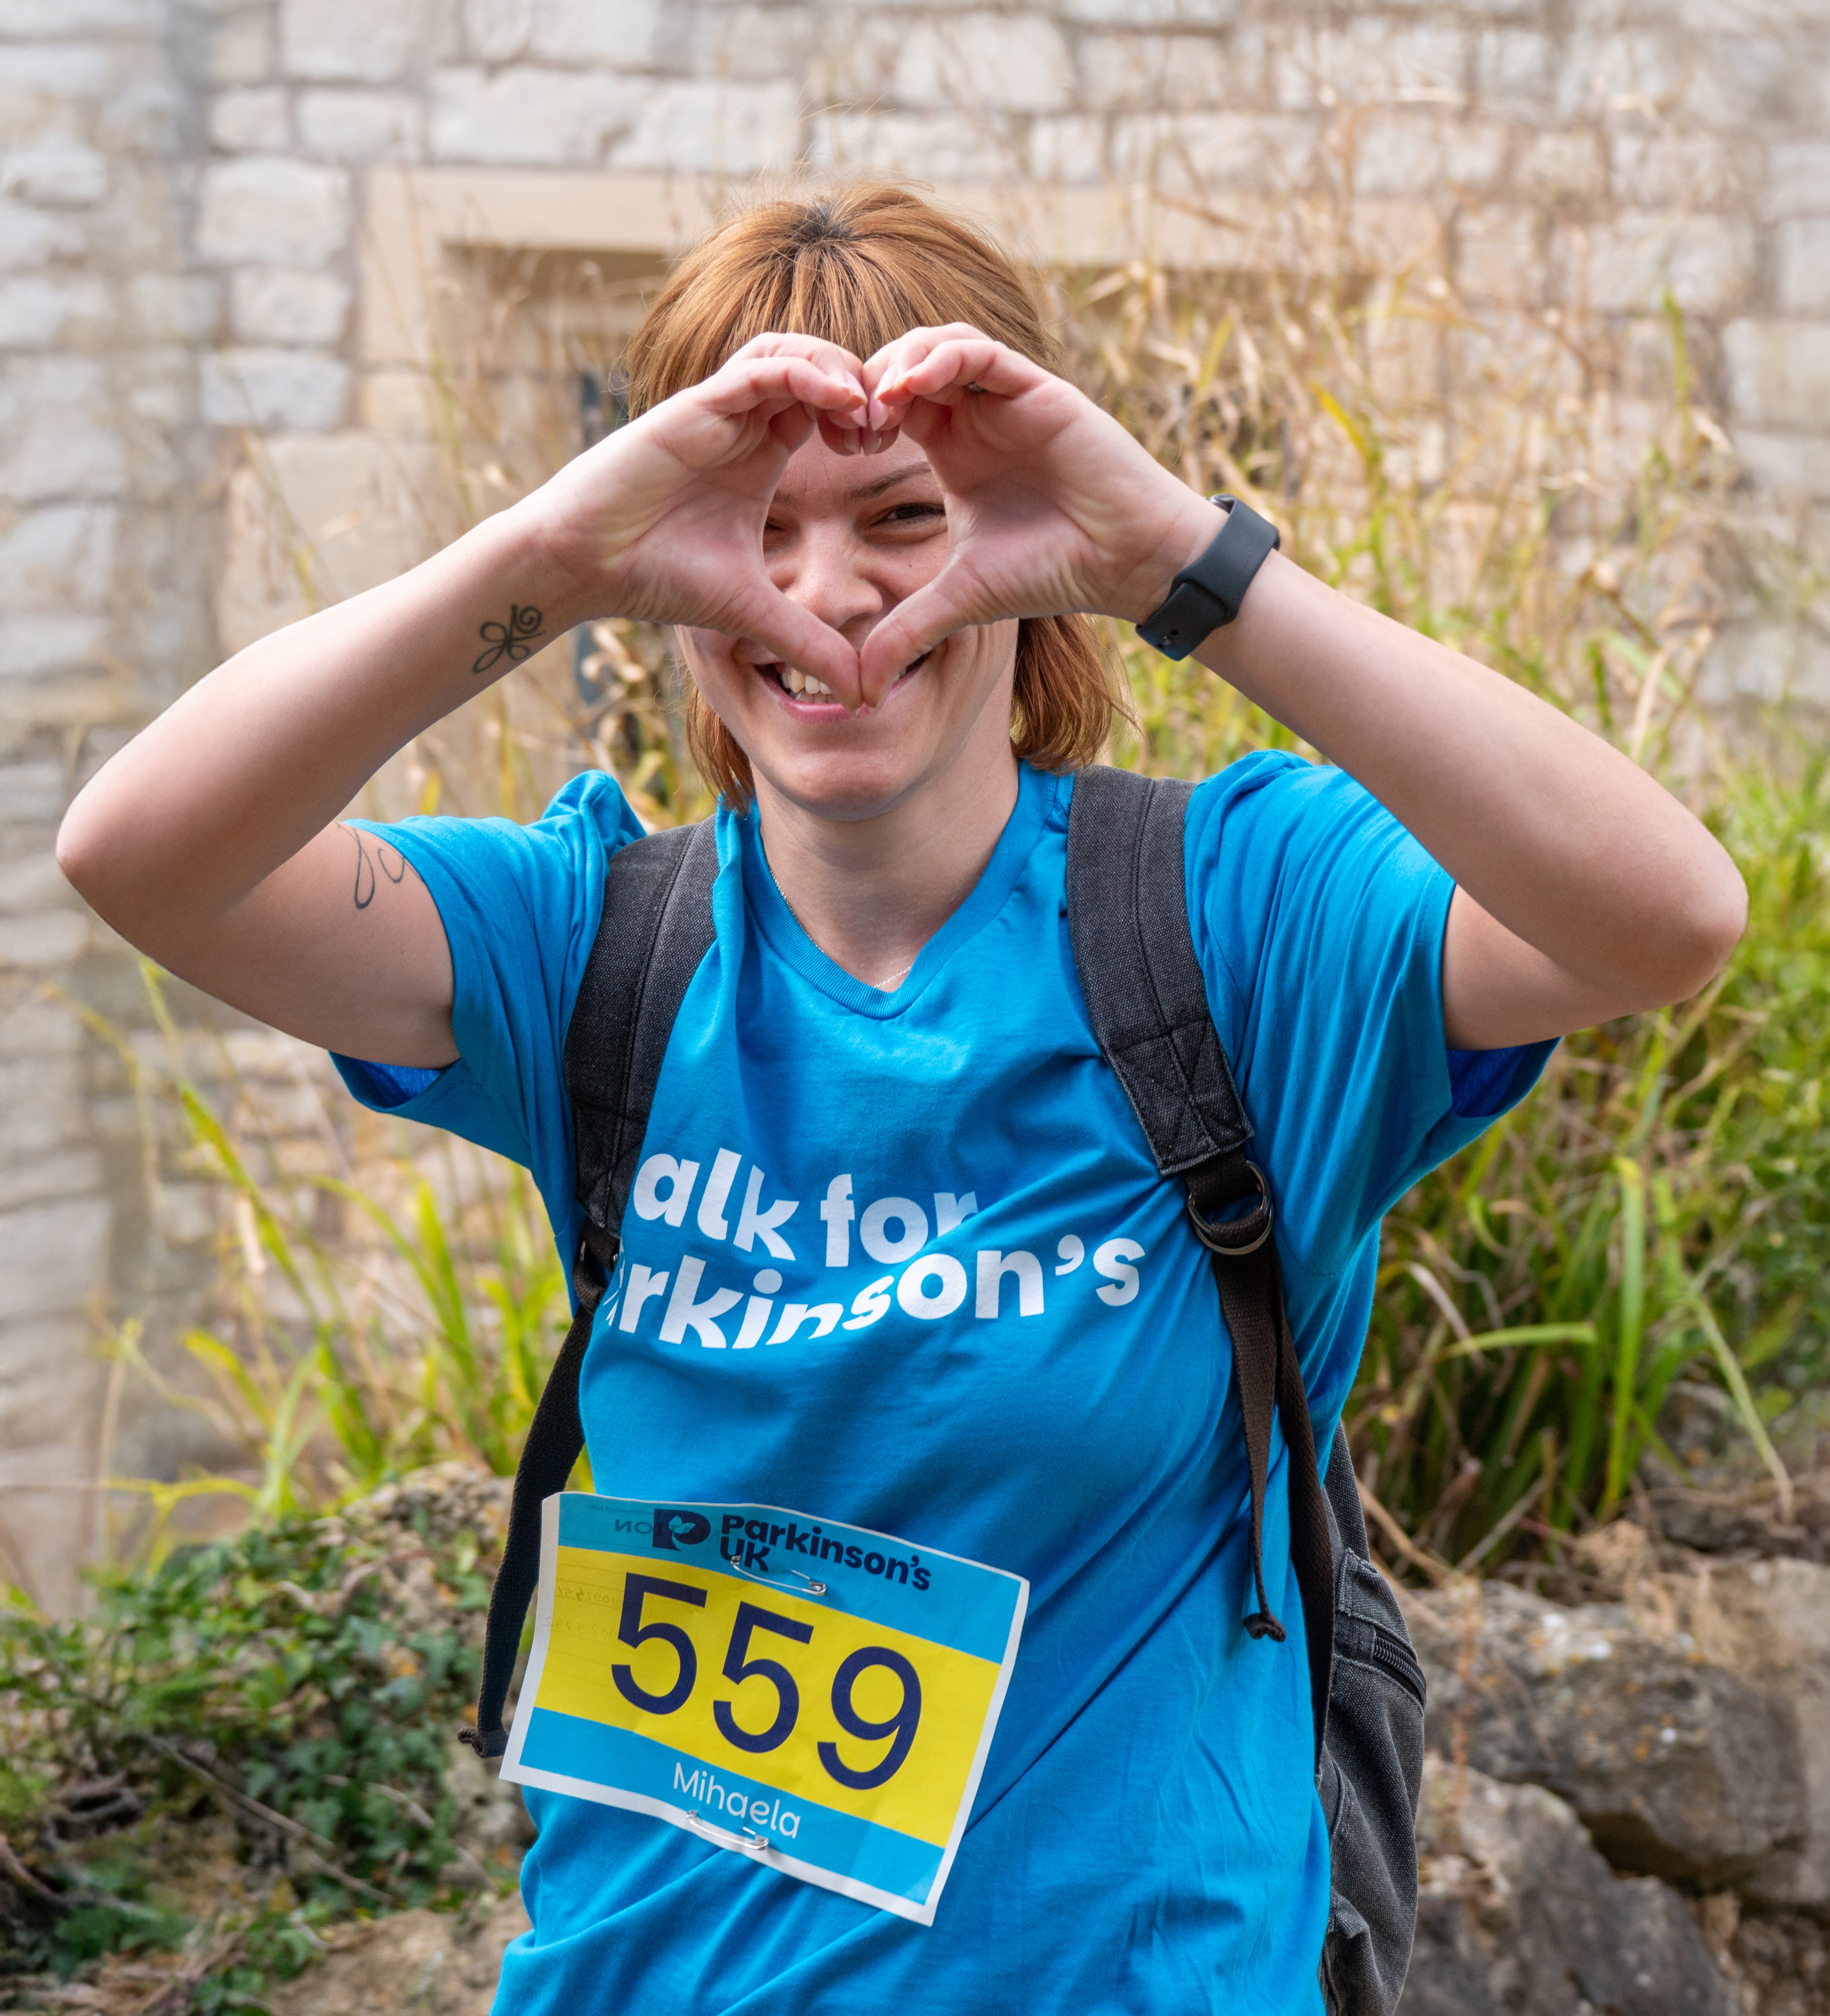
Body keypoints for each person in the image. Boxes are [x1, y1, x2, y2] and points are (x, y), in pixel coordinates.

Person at [57, 182, 1746, 2012]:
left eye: (905, 518)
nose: (827, 592)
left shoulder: (1238, 927)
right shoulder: (584, 947)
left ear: (1025, 538)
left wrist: (1180, 561)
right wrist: (551, 554)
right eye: (753, 527)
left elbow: (1662, 915)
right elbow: (142, 856)